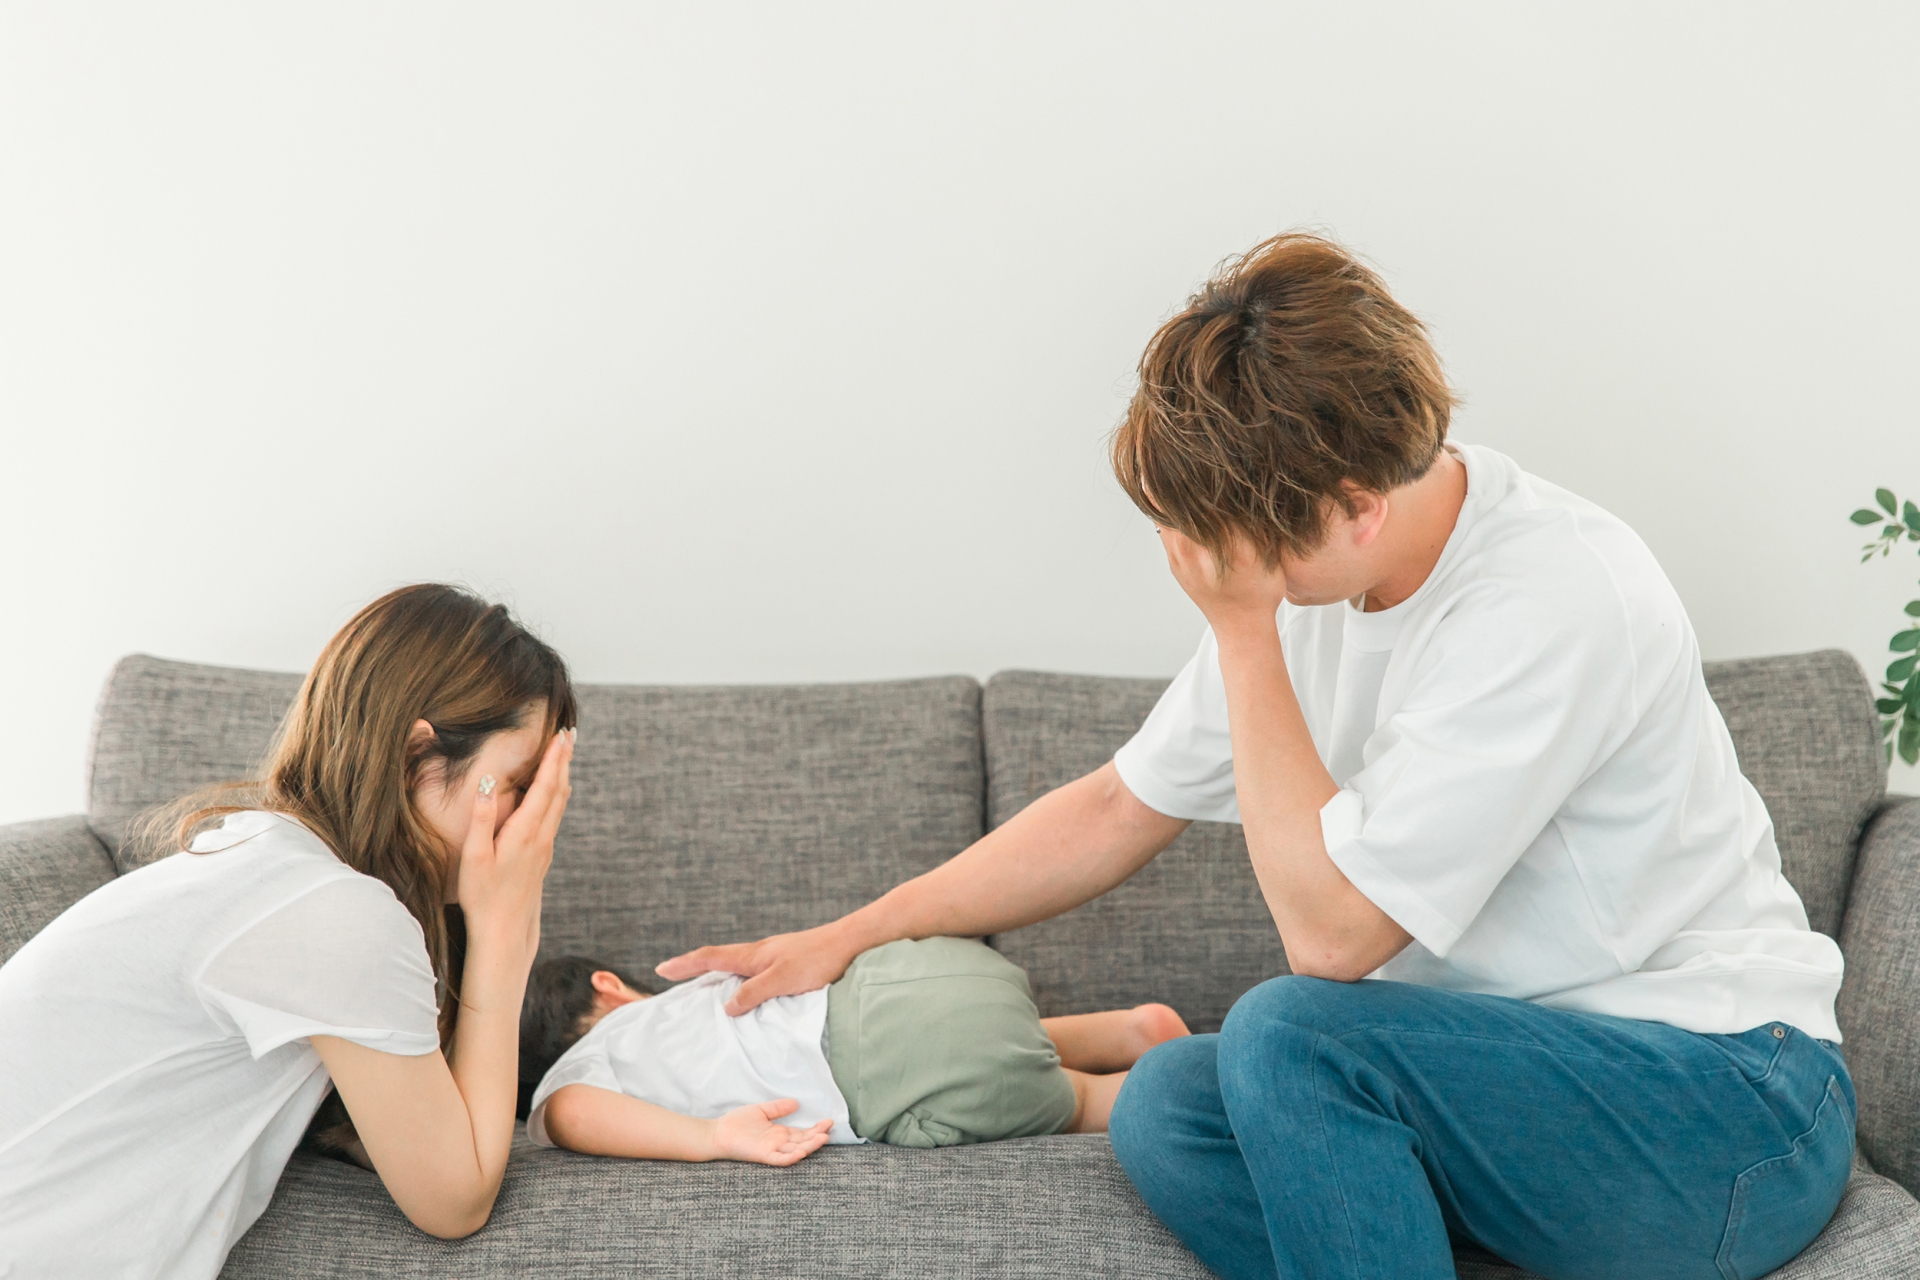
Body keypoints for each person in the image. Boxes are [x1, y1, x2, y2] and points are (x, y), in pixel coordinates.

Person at [659, 233, 1854, 1280]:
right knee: (1169, 1102)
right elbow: (1120, 805)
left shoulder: (1553, 600)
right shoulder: (1317, 581)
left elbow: (1332, 943)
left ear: (1356, 505)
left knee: (1288, 1030)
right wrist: (849, 934)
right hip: (1516, 1104)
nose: (1215, 571)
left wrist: (1243, 631)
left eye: (1237, 548)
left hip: (1730, 1114)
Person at [0, 584, 577, 1279]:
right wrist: (503, 932)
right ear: (415, 757)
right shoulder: (335, 911)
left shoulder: (269, 866)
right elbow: (455, 1198)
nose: (533, 827)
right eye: (520, 786)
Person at [518, 939, 1190, 1163]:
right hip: (898, 975)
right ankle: (1132, 1029)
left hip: (878, 1073)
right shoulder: (689, 997)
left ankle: (1159, 1080)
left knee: (1078, 1101)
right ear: (608, 984)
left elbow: (571, 1111)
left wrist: (711, 1137)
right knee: (1009, 1032)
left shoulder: (579, 1069)